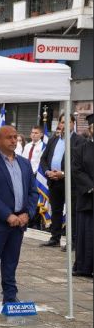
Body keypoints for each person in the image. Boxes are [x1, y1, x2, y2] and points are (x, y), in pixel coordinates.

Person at [0, 126, 38, 311]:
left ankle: (10, 296)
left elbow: (32, 191)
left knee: (12, 261)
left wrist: (28, 212)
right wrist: (7, 215)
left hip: (20, 221)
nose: (13, 141)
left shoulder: (24, 163)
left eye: (15, 138)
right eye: (9, 138)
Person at [39, 113, 85, 248]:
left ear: (73, 124)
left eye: (68, 122)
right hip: (54, 181)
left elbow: (79, 163)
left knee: (72, 213)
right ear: (59, 124)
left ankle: (74, 242)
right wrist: (48, 171)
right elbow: (43, 158)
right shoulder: (53, 140)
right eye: (63, 122)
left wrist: (63, 173)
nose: (65, 125)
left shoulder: (79, 141)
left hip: (71, 183)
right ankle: (55, 238)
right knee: (56, 210)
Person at [72, 114, 93, 277]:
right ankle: (84, 267)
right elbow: (76, 170)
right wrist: (91, 187)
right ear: (90, 129)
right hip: (87, 198)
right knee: (86, 233)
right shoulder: (80, 149)